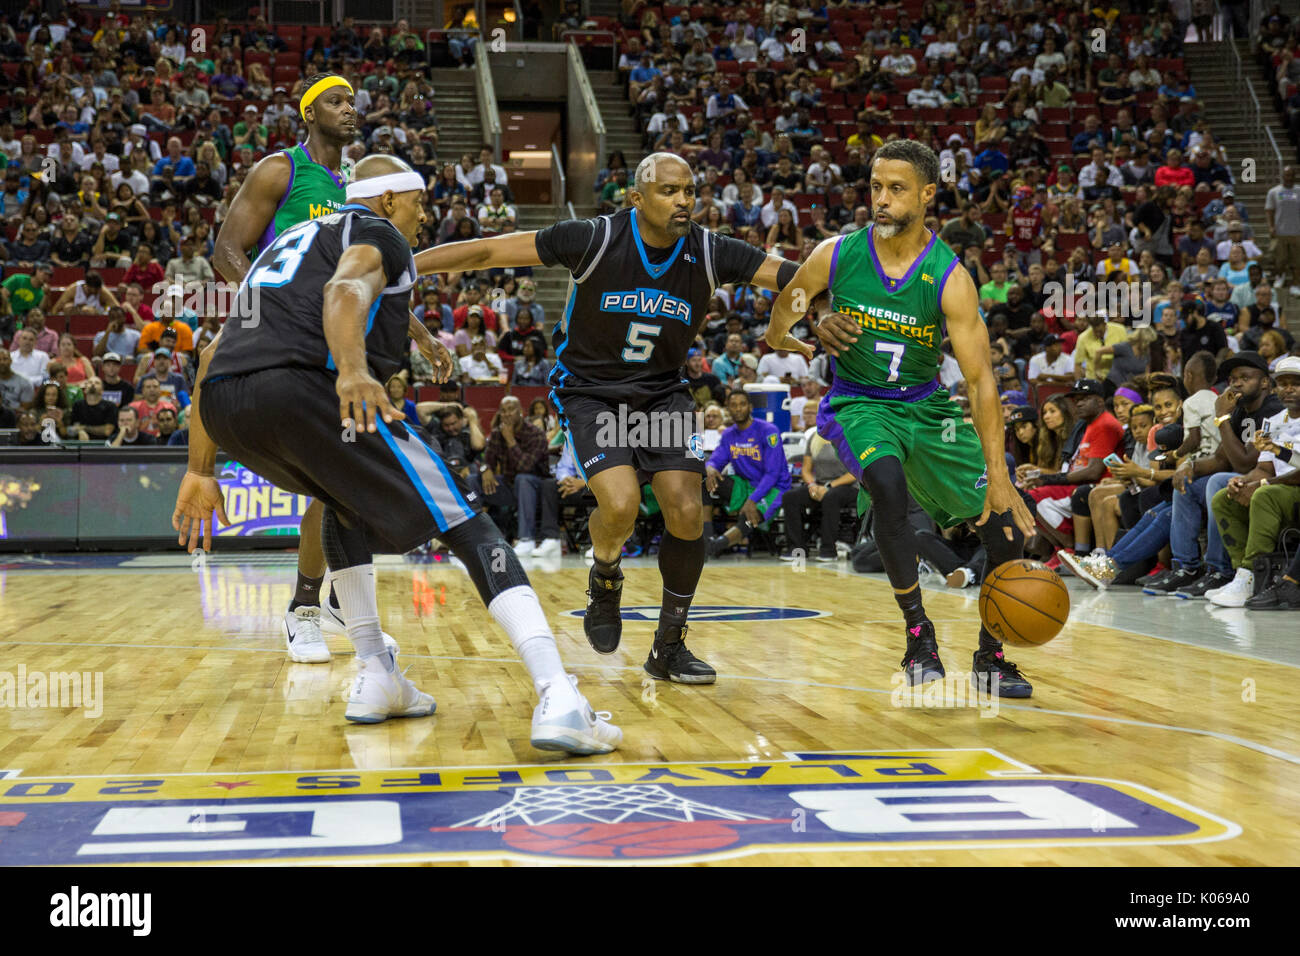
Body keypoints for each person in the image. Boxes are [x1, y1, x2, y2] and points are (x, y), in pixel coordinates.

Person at [174, 155, 619, 753]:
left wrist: (200, 469)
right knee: (465, 516)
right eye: (418, 202)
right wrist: (354, 370)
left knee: (340, 503)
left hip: (229, 405)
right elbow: (348, 286)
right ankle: (559, 695)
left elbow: (209, 357)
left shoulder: (291, 243)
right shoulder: (376, 232)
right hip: (307, 387)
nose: (424, 214)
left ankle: (377, 674)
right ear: (386, 201)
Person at [409, 152, 800, 684]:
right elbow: (489, 249)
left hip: (662, 393)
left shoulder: (711, 250)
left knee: (687, 511)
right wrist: (409, 263)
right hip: (593, 393)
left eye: (689, 190)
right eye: (669, 191)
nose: (684, 200)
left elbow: (794, 277)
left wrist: (830, 302)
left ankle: (669, 644)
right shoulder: (593, 239)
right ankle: (606, 573)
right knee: (619, 504)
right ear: (636, 199)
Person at [765, 139, 1038, 698]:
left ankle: (991, 656)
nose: (881, 200)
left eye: (896, 189)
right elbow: (780, 318)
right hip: (857, 402)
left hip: (926, 407)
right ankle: (919, 637)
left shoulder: (949, 278)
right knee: (887, 486)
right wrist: (807, 328)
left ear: (928, 194)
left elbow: (982, 381)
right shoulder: (835, 254)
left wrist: (1001, 473)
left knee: (1006, 527)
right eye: (875, 187)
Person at [209, 72, 440, 663]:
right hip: (280, 334)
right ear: (308, 112)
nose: (350, 110)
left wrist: (418, 333)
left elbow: (366, 274)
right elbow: (226, 250)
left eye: (354, 102)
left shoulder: (355, 187)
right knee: (214, 368)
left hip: (339, 337)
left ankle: (314, 603)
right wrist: (260, 308)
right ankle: (201, 475)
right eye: (336, 101)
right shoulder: (280, 170)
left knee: (337, 480)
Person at [1207, 355, 1300, 606]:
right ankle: (1244, 577)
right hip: (1278, 489)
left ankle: (1251, 570)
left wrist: (1262, 485)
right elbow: (1264, 467)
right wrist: (1243, 482)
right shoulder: (1273, 422)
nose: (1288, 389)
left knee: (1264, 494)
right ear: (1275, 386)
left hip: (1293, 490)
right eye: (1283, 383)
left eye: (1295, 383)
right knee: (1224, 497)